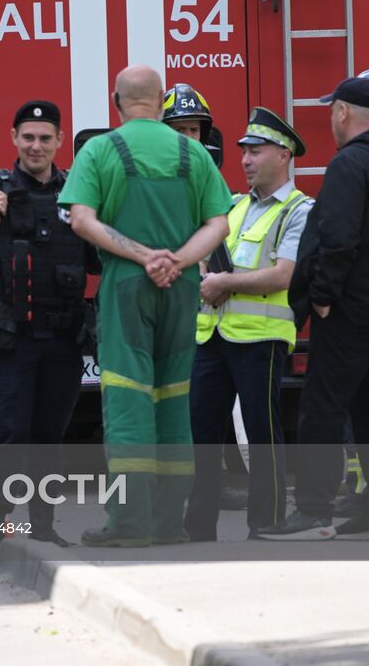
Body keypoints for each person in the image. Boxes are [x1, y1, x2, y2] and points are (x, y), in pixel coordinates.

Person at [60, 65, 231, 547]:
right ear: (160, 101)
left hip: (126, 288)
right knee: (175, 402)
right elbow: (218, 224)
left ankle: (129, 526)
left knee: (130, 401)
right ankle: (168, 524)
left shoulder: (99, 150)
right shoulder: (193, 153)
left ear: (116, 102)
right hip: (180, 288)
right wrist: (176, 261)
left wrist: (141, 256)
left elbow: (80, 219)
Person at [260, 70, 369, 541]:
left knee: (323, 408)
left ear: (345, 112)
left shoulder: (351, 165)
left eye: (334, 109)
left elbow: (337, 238)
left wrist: (324, 298)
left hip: (349, 312)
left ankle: (312, 511)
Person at [0, 100, 100, 569]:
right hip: (10, 341)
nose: (36, 146)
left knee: (49, 437)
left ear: (58, 141)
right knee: (9, 436)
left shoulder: (77, 191)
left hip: (63, 340)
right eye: (27, 137)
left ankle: (44, 529)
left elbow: (98, 260)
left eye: (45, 138)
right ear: (14, 139)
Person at [185, 108, 312, 541]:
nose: (244, 160)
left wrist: (224, 283)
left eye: (255, 152)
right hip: (213, 336)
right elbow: (205, 253)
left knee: (263, 436)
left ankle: (268, 523)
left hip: (261, 341)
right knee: (201, 437)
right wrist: (207, 274)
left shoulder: (300, 210)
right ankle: (198, 528)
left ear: (284, 155)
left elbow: (284, 275)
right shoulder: (235, 206)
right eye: (243, 153)